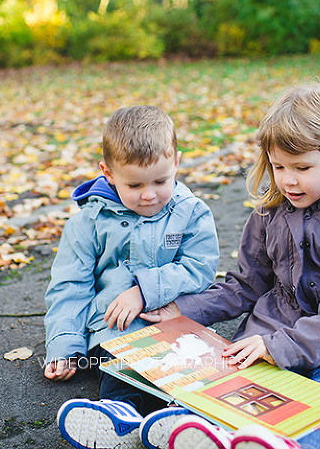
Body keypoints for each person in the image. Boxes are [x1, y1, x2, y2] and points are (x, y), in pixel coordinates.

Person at [141, 84, 320, 449]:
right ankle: (187, 430)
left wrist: (280, 347)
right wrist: (183, 310)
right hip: (275, 326)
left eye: (302, 167)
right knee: (227, 386)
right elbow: (246, 284)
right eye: (278, 166)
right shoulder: (271, 211)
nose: (288, 179)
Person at [44, 105, 221, 449]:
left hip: (173, 321)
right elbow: (70, 287)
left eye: (160, 180)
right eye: (135, 184)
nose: (149, 194)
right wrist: (64, 346)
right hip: (116, 330)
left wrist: (144, 292)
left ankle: (184, 420)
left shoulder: (190, 211)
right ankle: (118, 417)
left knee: (192, 364)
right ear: (107, 173)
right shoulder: (88, 223)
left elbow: (199, 267)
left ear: (177, 164)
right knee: (122, 370)